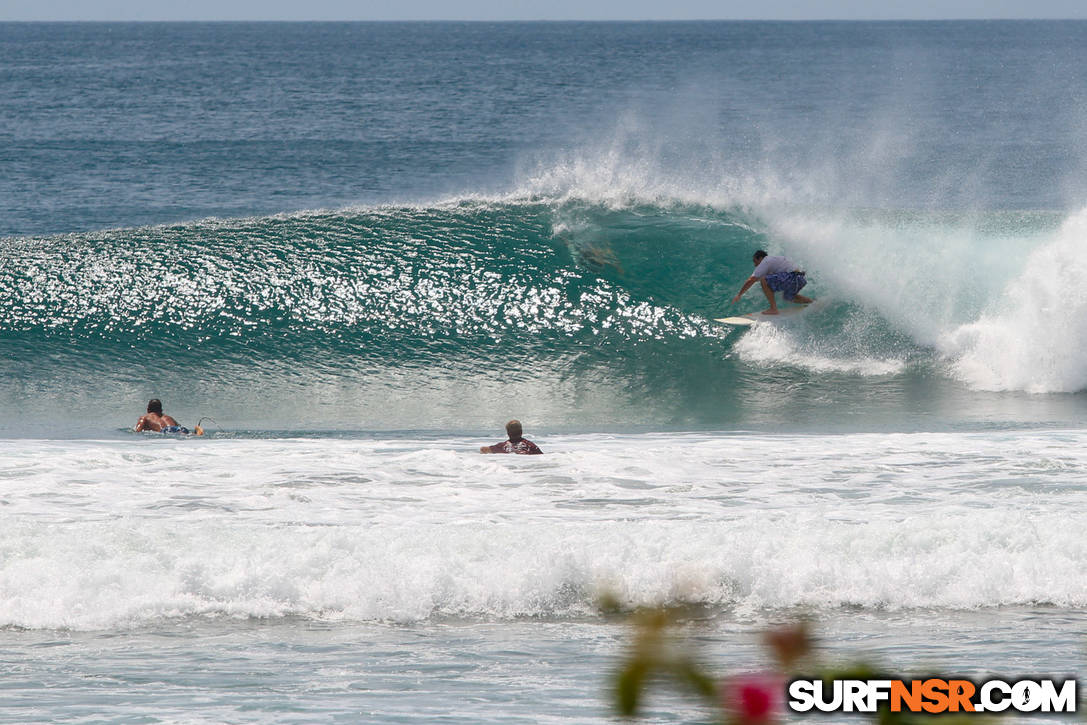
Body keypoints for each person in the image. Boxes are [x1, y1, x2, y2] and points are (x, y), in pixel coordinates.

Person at [730, 250, 813, 315]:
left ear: (760, 258)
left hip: (792, 277)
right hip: (799, 279)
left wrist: (739, 294)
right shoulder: (775, 260)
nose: (755, 265)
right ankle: (811, 302)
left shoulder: (765, 261)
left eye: (755, 261)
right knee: (788, 297)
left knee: (764, 280)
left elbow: (751, 280)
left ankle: (773, 309)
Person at [134, 399, 204, 435]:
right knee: (182, 433)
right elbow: (178, 425)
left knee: (173, 433)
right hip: (180, 428)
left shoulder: (145, 417)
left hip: (166, 430)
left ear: (148, 409)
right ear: (161, 409)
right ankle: (195, 433)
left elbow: (137, 431)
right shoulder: (168, 417)